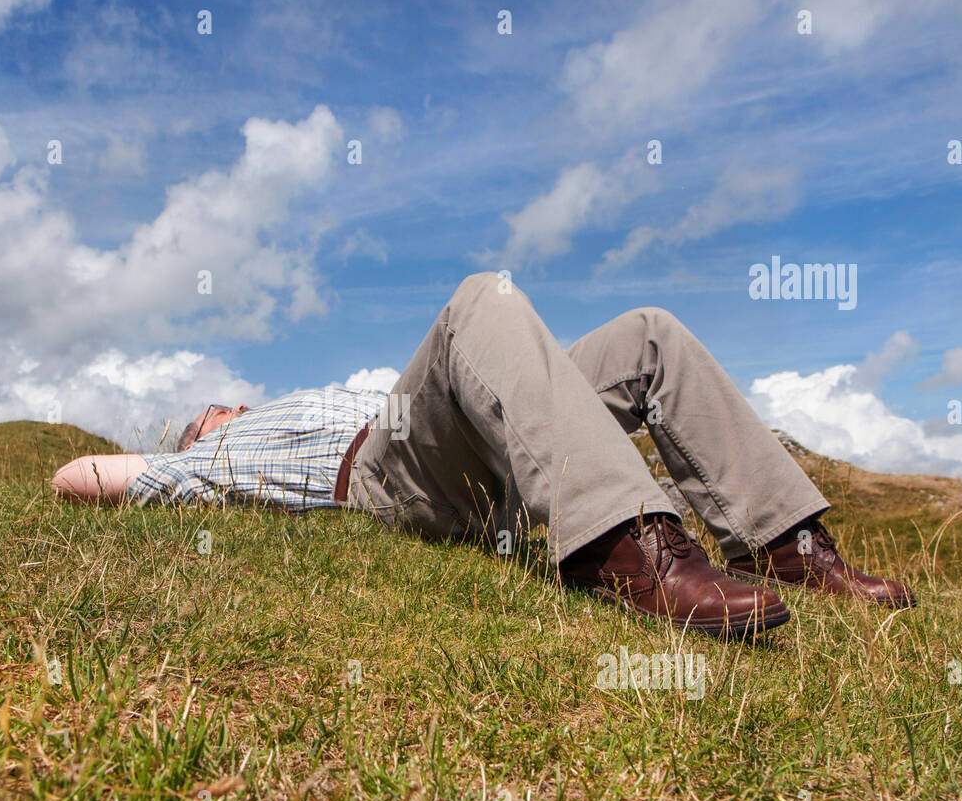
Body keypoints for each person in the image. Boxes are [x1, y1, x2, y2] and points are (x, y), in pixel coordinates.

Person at [52, 272, 914, 637]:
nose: (225, 406)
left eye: (226, 403)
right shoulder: (213, 461)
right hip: (393, 475)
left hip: (481, 433)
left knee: (648, 334)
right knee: (479, 297)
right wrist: (177, 457)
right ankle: (633, 551)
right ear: (197, 434)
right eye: (208, 413)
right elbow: (74, 478)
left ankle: (788, 546)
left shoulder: (286, 397)